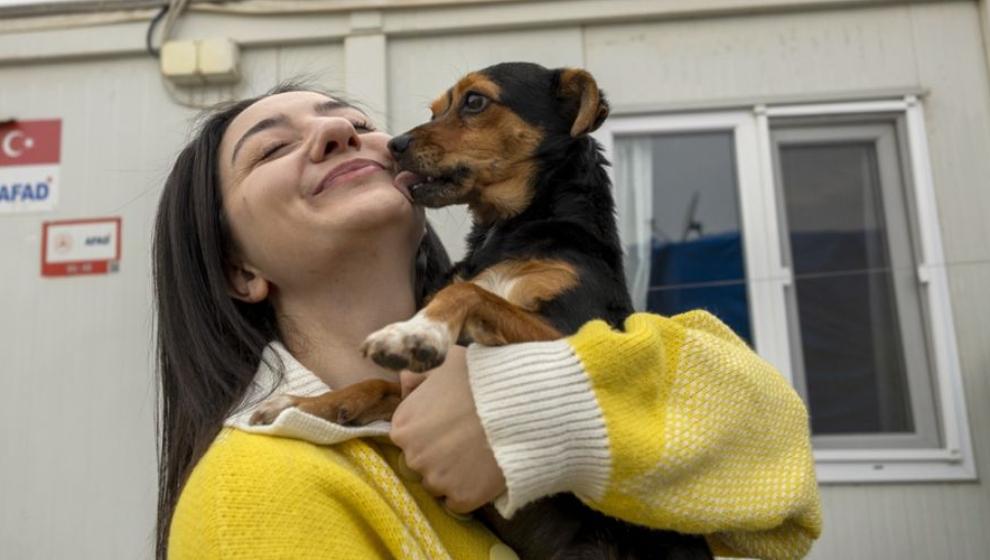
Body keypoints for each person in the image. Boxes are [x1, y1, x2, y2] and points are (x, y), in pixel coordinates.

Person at [154, 83, 822, 560]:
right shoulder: (249, 492)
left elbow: (784, 493)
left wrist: (520, 406)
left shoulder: (562, 309)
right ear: (239, 270)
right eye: (272, 149)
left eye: (354, 122)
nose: (339, 134)